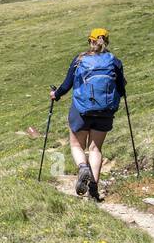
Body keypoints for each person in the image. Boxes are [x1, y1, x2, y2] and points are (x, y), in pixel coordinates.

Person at [50, 28, 127, 201]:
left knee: (77, 145)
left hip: (81, 111)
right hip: (105, 111)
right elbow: (121, 89)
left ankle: (83, 167)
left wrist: (56, 94)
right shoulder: (114, 61)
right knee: (95, 148)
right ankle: (94, 188)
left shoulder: (80, 60)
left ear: (90, 41)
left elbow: (67, 84)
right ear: (106, 41)